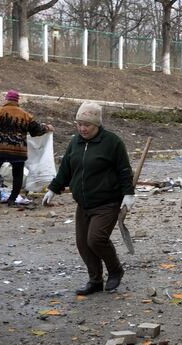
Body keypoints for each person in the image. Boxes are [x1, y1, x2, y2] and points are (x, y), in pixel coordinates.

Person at [42, 102, 135, 295]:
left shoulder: (112, 142)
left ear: (97, 125)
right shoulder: (75, 142)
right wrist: (53, 189)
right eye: (79, 124)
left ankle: (115, 270)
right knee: (83, 243)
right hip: (83, 203)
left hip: (107, 202)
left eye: (87, 125)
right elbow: (66, 169)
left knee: (96, 239)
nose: (83, 128)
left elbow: (124, 170)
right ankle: (95, 281)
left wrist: (128, 194)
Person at [0, 90, 53, 206]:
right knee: (17, 174)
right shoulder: (25, 115)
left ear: (7, 99)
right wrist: (47, 128)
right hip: (18, 150)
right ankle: (12, 199)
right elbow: (36, 130)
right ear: (17, 101)